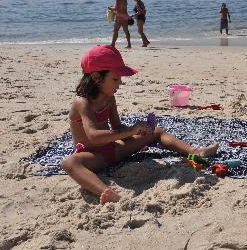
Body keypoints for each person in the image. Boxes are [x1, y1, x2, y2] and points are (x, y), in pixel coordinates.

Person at [60, 45, 219, 204]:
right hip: (92, 157)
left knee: (155, 132)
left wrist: (138, 131)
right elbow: (93, 137)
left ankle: (195, 151)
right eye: (115, 79)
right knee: (69, 162)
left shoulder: (109, 99)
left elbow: (117, 129)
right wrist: (131, 130)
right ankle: (106, 192)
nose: (120, 83)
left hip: (113, 150)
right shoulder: (82, 102)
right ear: (96, 77)